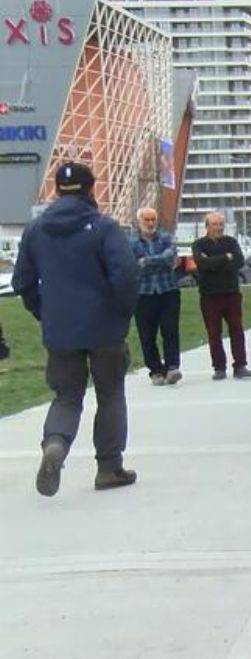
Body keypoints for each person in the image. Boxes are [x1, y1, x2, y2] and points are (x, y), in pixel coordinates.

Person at [12, 162, 139, 496]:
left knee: (66, 397)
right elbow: (125, 277)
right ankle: (109, 468)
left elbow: (22, 282)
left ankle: (55, 443)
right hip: (105, 330)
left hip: (61, 331)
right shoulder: (103, 228)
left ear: (57, 190)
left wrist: (46, 312)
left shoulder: (36, 230)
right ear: (90, 189)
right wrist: (121, 315)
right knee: (110, 394)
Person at [192, 212, 251, 381]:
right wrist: (225, 258)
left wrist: (214, 261)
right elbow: (202, 264)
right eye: (215, 224)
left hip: (231, 293)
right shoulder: (199, 244)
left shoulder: (231, 242)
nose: (218, 228)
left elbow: (239, 261)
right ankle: (219, 367)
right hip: (209, 295)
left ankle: (240, 365)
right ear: (207, 226)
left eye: (221, 224)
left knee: (237, 329)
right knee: (214, 332)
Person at [129, 207, 182, 386]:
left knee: (170, 329)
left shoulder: (166, 238)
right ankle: (155, 370)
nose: (150, 223)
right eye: (146, 220)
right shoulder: (131, 242)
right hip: (143, 293)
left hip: (168, 290)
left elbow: (170, 257)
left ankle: (172, 366)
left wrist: (147, 261)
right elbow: (132, 267)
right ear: (139, 221)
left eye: (153, 219)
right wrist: (158, 262)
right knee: (147, 334)